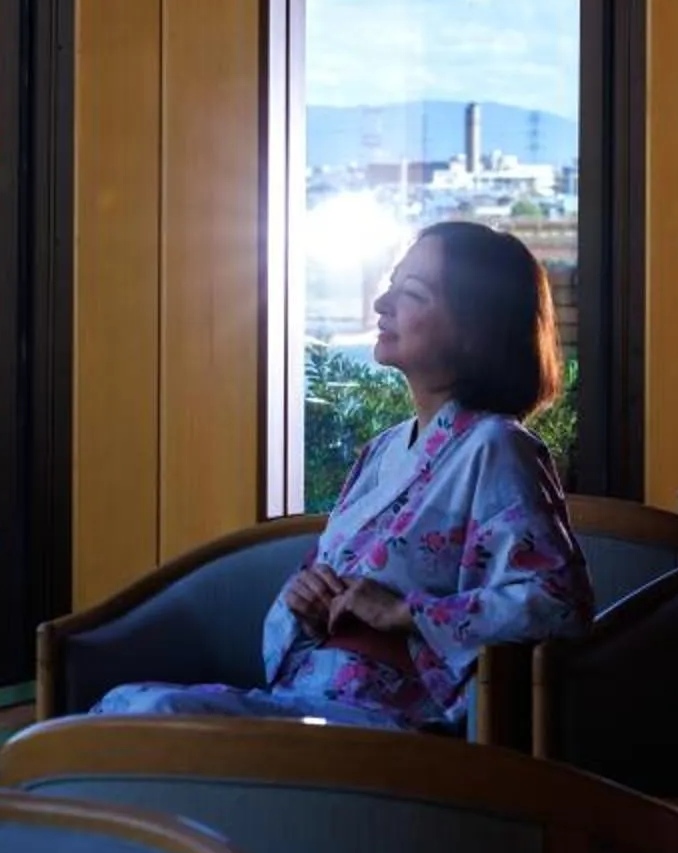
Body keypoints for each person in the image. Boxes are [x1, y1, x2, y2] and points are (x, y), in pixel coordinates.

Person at [93, 220, 593, 730]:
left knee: (155, 716)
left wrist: (404, 613)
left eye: (412, 293)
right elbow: (304, 603)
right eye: (391, 285)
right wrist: (302, 605)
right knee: (125, 708)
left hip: (388, 724)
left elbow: (557, 605)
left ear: (474, 329)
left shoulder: (495, 447)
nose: (383, 305)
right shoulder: (381, 453)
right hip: (313, 703)